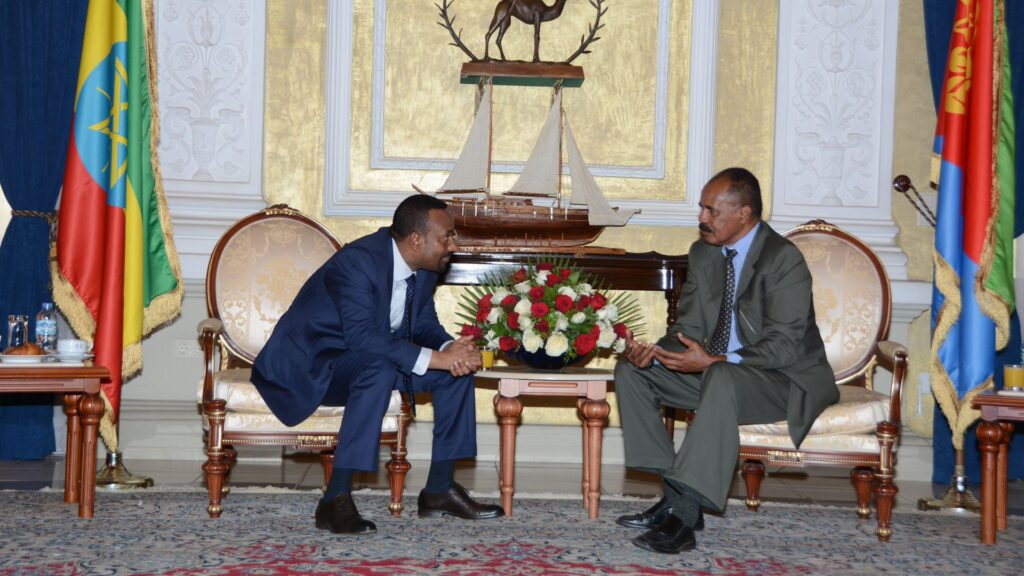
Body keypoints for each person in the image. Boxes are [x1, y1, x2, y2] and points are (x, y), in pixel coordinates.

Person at [614, 167, 838, 554]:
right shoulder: (703, 253)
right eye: (702, 208)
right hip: (720, 373)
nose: (702, 218)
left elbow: (784, 346)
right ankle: (676, 494)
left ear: (744, 214)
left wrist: (715, 359)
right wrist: (657, 352)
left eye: (711, 211)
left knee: (720, 374)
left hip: (782, 380)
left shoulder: (783, 259)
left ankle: (682, 522)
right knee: (633, 371)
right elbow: (689, 327)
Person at [252, 194, 503, 535]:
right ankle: (334, 499)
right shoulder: (358, 262)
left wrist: (451, 349)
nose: (453, 244)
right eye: (447, 236)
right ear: (416, 239)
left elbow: (424, 326)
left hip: (365, 362)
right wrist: (438, 358)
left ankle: (439, 490)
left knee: (453, 375)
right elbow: (362, 339)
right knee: (379, 368)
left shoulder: (426, 268)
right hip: (314, 365)